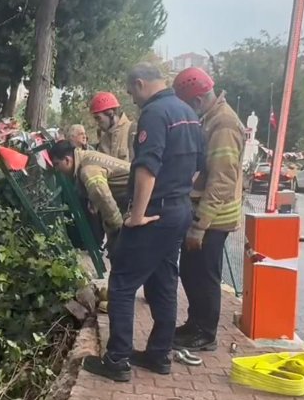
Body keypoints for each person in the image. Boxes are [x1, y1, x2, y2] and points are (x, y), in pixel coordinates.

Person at [82, 63, 204, 383]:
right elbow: (198, 167)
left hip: (155, 212)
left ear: (139, 84)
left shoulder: (154, 113)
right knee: (164, 282)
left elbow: (146, 168)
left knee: (121, 283)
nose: (132, 100)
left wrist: (137, 216)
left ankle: (117, 359)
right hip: (179, 210)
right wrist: (177, 194)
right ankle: (159, 354)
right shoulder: (188, 112)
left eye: (132, 92)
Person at [171, 67, 245, 352]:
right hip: (208, 214)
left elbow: (222, 178)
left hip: (214, 218)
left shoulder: (223, 125)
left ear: (198, 101)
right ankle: (195, 324)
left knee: (205, 275)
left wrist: (200, 225)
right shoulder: (212, 119)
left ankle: (205, 333)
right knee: (191, 272)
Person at [49, 140, 131, 248]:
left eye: (57, 164)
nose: (57, 169)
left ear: (67, 160)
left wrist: (117, 232)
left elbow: (103, 197)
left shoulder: (87, 170)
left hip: (141, 196)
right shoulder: (85, 157)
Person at [89, 91, 135, 162]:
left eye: (98, 118)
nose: (97, 123)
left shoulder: (133, 130)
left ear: (110, 113)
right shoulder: (103, 141)